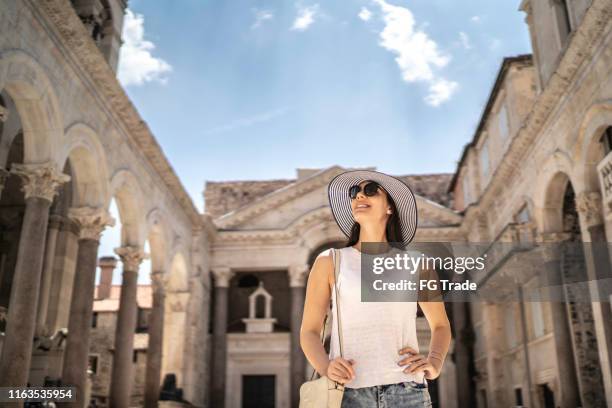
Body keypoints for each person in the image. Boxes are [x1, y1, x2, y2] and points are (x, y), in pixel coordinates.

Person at [300, 170, 452, 407]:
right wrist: (325, 366)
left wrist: (434, 363)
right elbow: (309, 331)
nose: (359, 196)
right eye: (354, 192)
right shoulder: (330, 261)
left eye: (370, 190)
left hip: (408, 391)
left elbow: (441, 325)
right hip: (349, 393)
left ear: (390, 207)